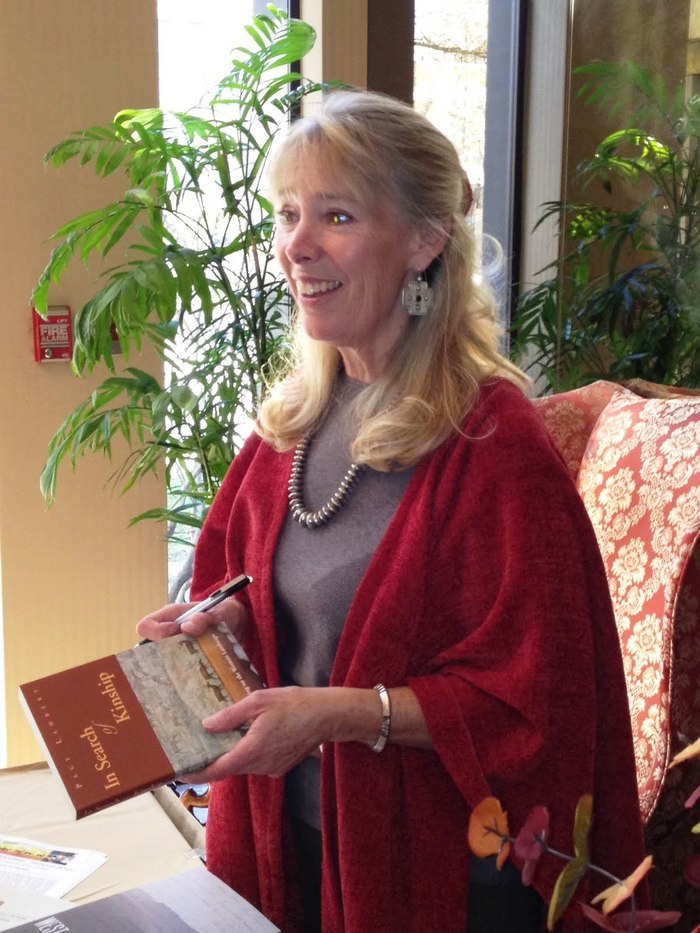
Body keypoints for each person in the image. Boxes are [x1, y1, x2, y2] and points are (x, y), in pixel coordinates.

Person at [137, 89, 646, 932]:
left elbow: (539, 704)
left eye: (336, 216)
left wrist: (344, 714)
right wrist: (222, 624)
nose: (297, 244)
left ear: (423, 241)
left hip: (434, 875)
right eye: (288, 213)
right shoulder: (289, 424)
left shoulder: (493, 441)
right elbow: (268, 600)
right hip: (289, 846)